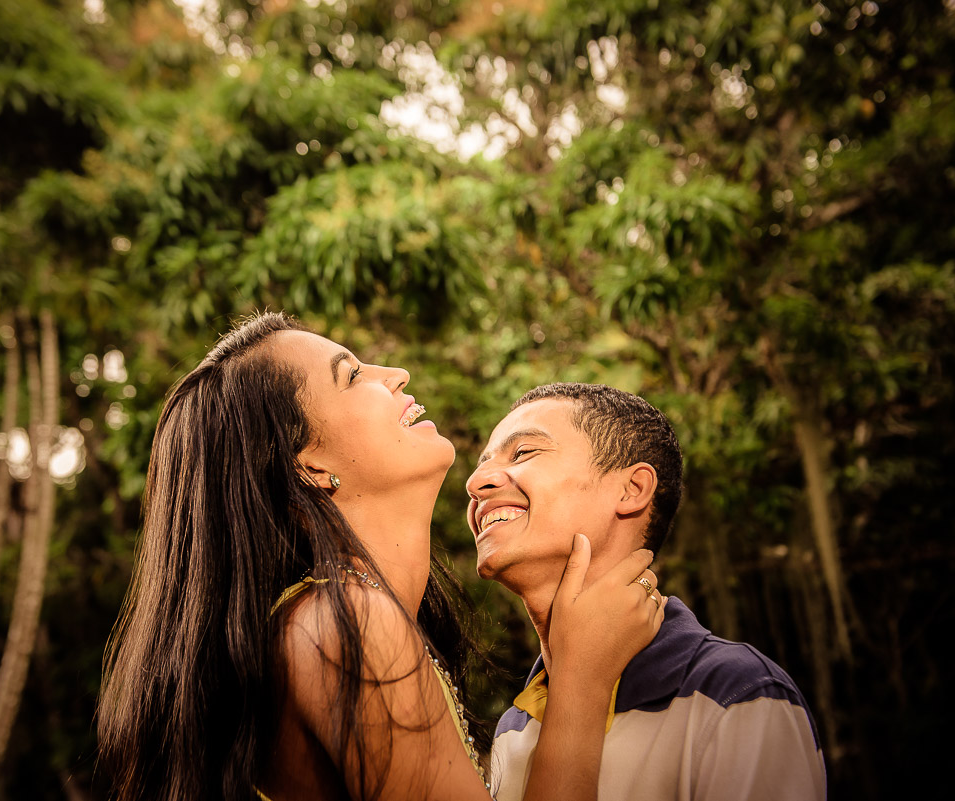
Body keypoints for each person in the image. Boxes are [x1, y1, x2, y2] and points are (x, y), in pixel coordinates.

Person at [97, 313, 666, 801]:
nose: (395, 376)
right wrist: (583, 679)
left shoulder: (342, 619)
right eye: (352, 376)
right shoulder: (342, 626)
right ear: (310, 465)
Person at [467, 383, 828, 801]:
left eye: (524, 453)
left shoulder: (735, 693)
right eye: (482, 463)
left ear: (632, 490)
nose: (476, 482)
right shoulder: (515, 728)